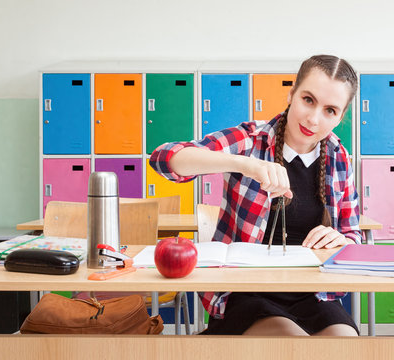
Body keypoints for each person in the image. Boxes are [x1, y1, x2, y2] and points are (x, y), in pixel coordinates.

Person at [150, 54, 362, 336]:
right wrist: (244, 164)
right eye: (308, 100)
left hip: (310, 293)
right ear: (292, 93)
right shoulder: (251, 140)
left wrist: (342, 240)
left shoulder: (339, 157)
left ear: (341, 116)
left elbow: (353, 235)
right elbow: (164, 159)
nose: (313, 118)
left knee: (344, 341)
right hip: (247, 292)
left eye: (330, 110)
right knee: (290, 340)